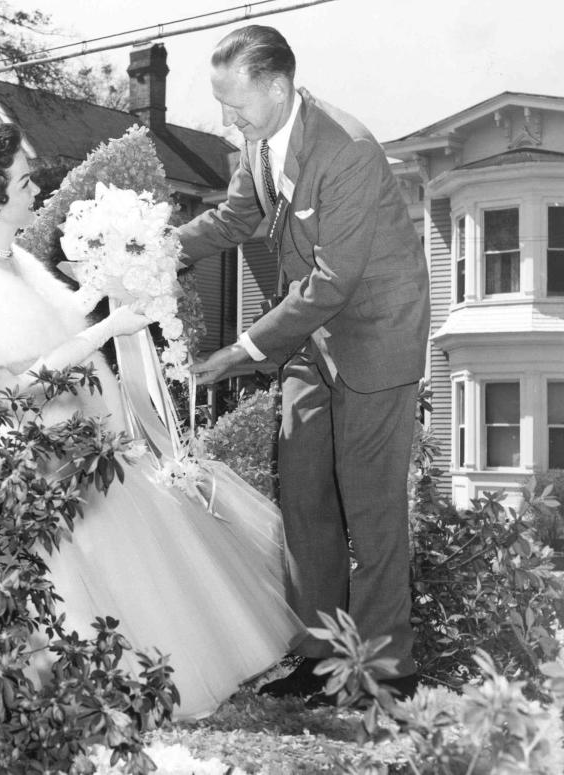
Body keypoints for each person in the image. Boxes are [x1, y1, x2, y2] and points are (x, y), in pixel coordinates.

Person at [0, 123, 305, 719]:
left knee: (141, 521)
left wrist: (112, 276)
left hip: (66, 430)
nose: (36, 187)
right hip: (14, 455)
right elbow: (15, 387)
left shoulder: (10, 258)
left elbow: (52, 324)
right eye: (24, 178)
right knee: (78, 557)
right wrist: (104, 330)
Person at [177, 25, 430, 702]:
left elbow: (331, 284)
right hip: (311, 341)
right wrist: (155, 247)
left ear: (279, 87)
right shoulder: (258, 144)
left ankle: (384, 670)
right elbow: (235, 218)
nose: (227, 119)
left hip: (375, 337)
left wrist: (238, 353)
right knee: (303, 490)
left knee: (371, 508)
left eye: (235, 104)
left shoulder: (345, 151)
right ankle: (319, 653)